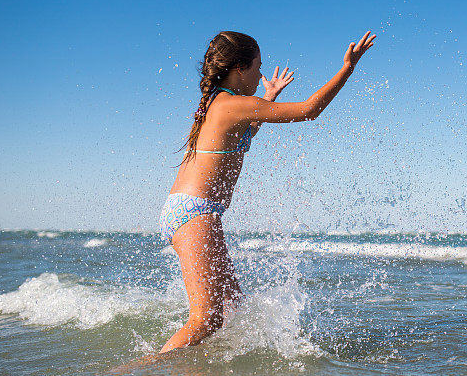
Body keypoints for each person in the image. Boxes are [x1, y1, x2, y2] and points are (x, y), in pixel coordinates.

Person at [158, 30, 376, 353]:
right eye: (257, 67)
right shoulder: (231, 104)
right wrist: (347, 69)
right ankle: (146, 371)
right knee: (207, 318)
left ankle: (212, 374)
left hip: (193, 211)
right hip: (195, 212)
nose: (261, 74)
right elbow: (308, 110)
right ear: (239, 69)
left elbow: (241, 137)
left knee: (234, 310)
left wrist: (268, 98)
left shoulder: (223, 104)